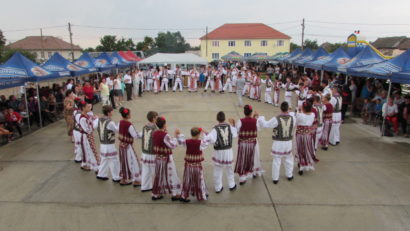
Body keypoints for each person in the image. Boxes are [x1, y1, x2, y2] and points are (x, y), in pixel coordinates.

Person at [258, 102, 295, 184]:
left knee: (277, 160)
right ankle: (289, 175)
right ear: (288, 109)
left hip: (278, 142)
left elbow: (266, 124)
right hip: (288, 142)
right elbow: (293, 114)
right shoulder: (293, 118)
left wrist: (261, 118)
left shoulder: (277, 119)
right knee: (288, 159)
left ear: (280, 108)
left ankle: (275, 178)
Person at [204, 111, 238, 193]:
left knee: (218, 170)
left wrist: (206, 134)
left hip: (219, 152)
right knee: (229, 168)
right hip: (228, 151)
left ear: (217, 119)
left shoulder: (215, 129)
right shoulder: (229, 127)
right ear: (224, 118)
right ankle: (232, 185)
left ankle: (218, 187)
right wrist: (233, 124)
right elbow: (235, 134)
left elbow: (210, 140)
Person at [151, 116, 181, 201]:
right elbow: (173, 145)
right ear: (164, 125)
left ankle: (156, 193)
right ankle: (174, 194)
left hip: (158, 158)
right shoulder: (165, 135)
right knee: (172, 174)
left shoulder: (155, 133)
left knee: (159, 175)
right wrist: (175, 136)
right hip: (166, 158)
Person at [178, 127, 210, 202]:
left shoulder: (186, 141)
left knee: (187, 180)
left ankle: (184, 196)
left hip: (188, 165)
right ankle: (202, 194)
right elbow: (207, 141)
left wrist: (179, 135)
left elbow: (180, 141)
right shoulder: (200, 142)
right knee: (199, 180)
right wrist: (205, 133)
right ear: (198, 135)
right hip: (197, 165)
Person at [234, 105, 263, 185]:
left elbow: (236, 131)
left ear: (244, 112)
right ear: (251, 112)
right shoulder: (255, 121)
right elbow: (258, 128)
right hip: (253, 143)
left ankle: (242, 177)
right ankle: (254, 172)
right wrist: (256, 118)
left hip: (243, 144)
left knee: (243, 159)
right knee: (254, 157)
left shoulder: (240, 121)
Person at [93, 105, 121, 182]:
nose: (113, 112)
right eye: (112, 111)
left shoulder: (98, 120)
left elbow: (93, 126)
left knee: (104, 159)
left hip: (102, 143)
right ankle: (116, 176)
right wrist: (119, 124)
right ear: (108, 113)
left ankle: (101, 174)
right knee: (114, 160)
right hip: (109, 144)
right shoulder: (110, 122)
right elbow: (117, 130)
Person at [118, 107, 142, 186]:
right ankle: (134, 180)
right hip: (127, 146)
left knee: (124, 162)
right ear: (128, 115)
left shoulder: (120, 122)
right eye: (130, 114)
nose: (131, 115)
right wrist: (143, 133)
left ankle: (124, 178)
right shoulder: (129, 124)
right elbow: (135, 136)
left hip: (122, 145)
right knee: (133, 162)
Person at [295, 101, 316, 175]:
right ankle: (305, 163)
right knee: (307, 149)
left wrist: (298, 111)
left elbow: (296, 122)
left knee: (300, 149)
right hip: (308, 135)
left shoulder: (300, 115)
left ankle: (301, 165)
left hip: (300, 135)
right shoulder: (312, 114)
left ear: (303, 108)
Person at [77, 100, 98, 172]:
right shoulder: (82, 118)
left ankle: (86, 164)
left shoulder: (87, 115)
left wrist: (95, 119)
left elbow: (92, 119)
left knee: (89, 150)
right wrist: (95, 124)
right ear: (83, 108)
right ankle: (92, 165)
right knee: (89, 150)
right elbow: (87, 130)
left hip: (89, 136)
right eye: (87, 107)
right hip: (86, 137)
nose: (89, 108)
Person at [140, 111, 159, 192]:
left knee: (145, 170)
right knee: (155, 171)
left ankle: (144, 186)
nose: (157, 119)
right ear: (153, 118)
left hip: (144, 152)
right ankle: (156, 188)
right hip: (151, 153)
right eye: (156, 118)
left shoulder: (145, 127)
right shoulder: (155, 129)